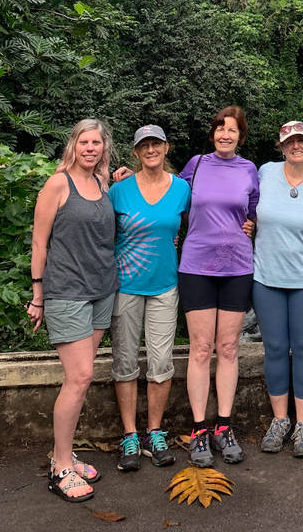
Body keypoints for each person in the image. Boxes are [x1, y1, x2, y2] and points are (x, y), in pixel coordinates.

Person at [27, 119, 118, 502]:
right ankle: (60, 465)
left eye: (97, 142)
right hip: (67, 292)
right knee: (79, 377)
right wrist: (37, 295)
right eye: (84, 141)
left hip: (102, 290)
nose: (90, 147)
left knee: (81, 378)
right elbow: (39, 240)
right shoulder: (58, 183)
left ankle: (67, 454)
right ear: (73, 144)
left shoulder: (102, 183)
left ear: (103, 148)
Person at [178, 105, 259, 467]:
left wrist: (252, 225)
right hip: (196, 265)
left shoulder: (249, 170)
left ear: (241, 136)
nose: (225, 135)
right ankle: (198, 431)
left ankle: (223, 426)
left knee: (228, 347)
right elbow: (170, 200)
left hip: (237, 266)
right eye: (220, 129)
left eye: (233, 130)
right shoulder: (195, 166)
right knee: (200, 347)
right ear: (212, 133)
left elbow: (253, 211)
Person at [108, 125, 190, 472]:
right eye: (145, 145)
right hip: (125, 285)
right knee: (125, 361)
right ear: (136, 152)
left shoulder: (182, 189)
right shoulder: (119, 190)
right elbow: (105, 233)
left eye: (156, 143)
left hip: (164, 285)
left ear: (166, 148)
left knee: (161, 362)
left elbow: (187, 227)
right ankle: (130, 435)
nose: (151, 149)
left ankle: (155, 431)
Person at [252, 120, 303, 458]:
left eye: (301, 141)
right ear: (281, 145)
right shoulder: (265, 173)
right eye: (289, 142)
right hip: (267, 277)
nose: (295, 146)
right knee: (274, 349)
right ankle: (280, 419)